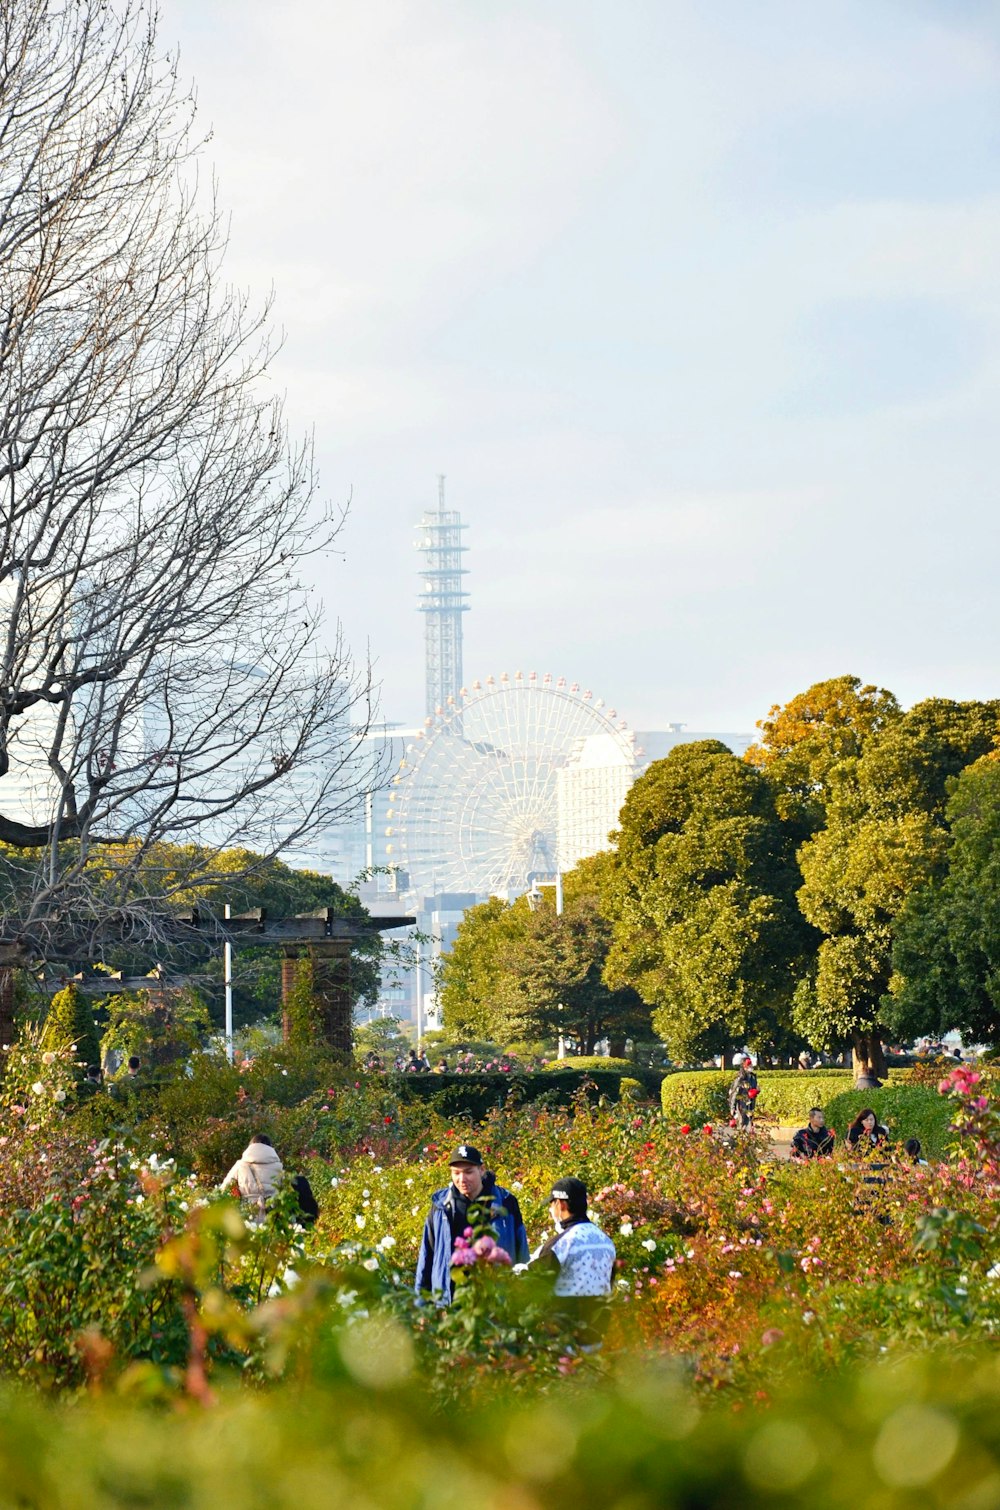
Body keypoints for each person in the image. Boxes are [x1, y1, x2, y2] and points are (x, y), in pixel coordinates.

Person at [414, 1144, 528, 1304]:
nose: (462, 1179)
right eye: (456, 1173)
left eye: (468, 1172)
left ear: (481, 1170)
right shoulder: (441, 1206)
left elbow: (521, 1251)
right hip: (451, 1302)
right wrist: (422, 1305)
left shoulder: (505, 1202)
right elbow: (427, 1254)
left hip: (496, 1302)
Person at [519, 1176, 616, 1347]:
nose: (550, 1210)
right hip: (595, 1337)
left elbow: (532, 1283)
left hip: (562, 1340)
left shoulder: (563, 1243)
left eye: (551, 1204)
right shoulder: (606, 1241)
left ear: (561, 1204)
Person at [219, 1133, 284, 1214]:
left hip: (247, 1214)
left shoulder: (240, 1165)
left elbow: (223, 1190)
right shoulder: (279, 1167)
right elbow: (285, 1191)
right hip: (271, 1214)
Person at [728, 1057, 758, 1129]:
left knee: (749, 1125)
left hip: (750, 1104)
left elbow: (755, 1089)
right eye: (748, 1064)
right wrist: (732, 1107)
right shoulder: (740, 1079)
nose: (750, 1066)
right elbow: (734, 1093)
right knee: (742, 1124)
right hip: (741, 1105)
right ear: (744, 1066)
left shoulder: (753, 1078)